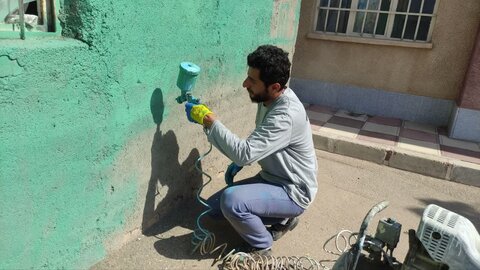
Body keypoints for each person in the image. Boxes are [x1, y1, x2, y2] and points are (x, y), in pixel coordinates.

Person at [185, 45, 318, 256]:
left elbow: (245, 153)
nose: (245, 84)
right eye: (248, 77)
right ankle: (283, 218)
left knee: (232, 203)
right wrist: (238, 162)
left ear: (274, 86)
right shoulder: (269, 98)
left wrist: (211, 122)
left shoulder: (285, 116)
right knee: (215, 209)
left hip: (293, 190)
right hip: (273, 178)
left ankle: (262, 245)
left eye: (252, 81)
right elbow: (261, 143)